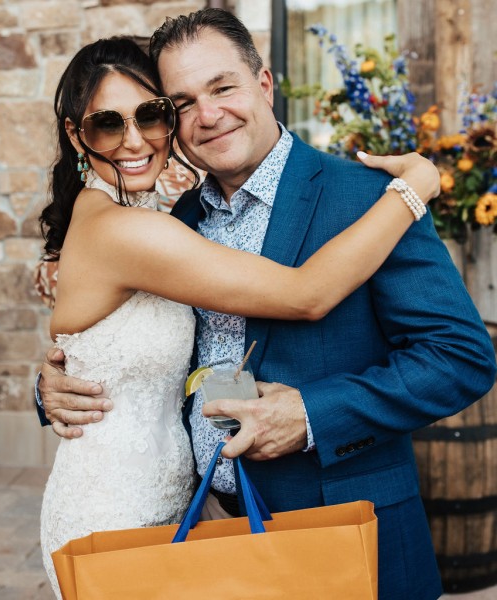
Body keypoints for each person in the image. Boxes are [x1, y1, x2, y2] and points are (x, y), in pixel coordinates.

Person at [36, 11, 496, 600]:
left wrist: (310, 414)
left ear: (264, 83)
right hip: (201, 531)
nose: (208, 115)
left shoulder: (367, 200)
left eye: (223, 87)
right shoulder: (177, 220)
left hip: (343, 529)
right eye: (182, 103)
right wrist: (52, 385)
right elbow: (122, 343)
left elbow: (461, 357)